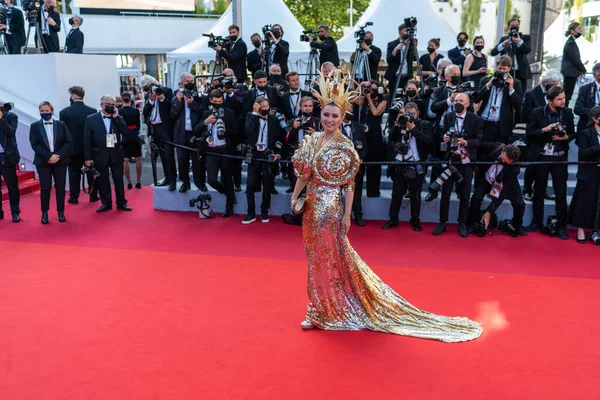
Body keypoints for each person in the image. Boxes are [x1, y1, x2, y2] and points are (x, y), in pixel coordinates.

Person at [289, 69, 481, 341]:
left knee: (329, 260)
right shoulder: (312, 140)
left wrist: (346, 215)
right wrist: (295, 197)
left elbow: (350, 184)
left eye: (335, 116)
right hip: (310, 207)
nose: (330, 119)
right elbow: (304, 173)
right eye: (326, 115)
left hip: (330, 209)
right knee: (314, 260)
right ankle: (319, 308)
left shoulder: (346, 147)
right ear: (320, 115)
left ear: (343, 118)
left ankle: (326, 311)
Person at [525, 86, 575, 240]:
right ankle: (537, 222)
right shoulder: (538, 112)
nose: (563, 101)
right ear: (550, 100)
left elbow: (573, 133)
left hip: (560, 157)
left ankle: (561, 226)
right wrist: (544, 130)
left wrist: (565, 137)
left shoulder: (567, 112)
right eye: (559, 99)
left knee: (560, 192)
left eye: (564, 98)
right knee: (538, 190)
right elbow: (529, 134)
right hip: (542, 157)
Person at [433, 93, 483, 237]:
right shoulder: (448, 116)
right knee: (446, 193)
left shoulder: (476, 119)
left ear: (468, 104)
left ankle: (462, 223)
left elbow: (479, 141)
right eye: (455, 101)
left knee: (465, 194)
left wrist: (466, 142)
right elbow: (443, 133)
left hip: (466, 162)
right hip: (451, 159)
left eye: (461, 101)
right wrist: (445, 137)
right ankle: (442, 222)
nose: (457, 103)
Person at [383, 102, 433, 231]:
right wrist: (397, 124)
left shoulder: (424, 125)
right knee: (396, 194)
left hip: (416, 165)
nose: (410, 116)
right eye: (407, 113)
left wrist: (414, 130)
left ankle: (415, 220)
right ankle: (393, 219)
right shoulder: (401, 123)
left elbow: (429, 141)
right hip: (400, 164)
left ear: (418, 113)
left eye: (412, 114)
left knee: (415, 195)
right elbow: (391, 139)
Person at [84, 95, 133, 213]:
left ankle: (121, 202)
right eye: (108, 104)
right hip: (99, 154)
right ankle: (106, 203)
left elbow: (125, 131)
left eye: (113, 104)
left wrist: (117, 117)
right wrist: (88, 157)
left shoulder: (117, 117)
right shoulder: (91, 119)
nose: (111, 106)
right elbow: (86, 139)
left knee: (118, 179)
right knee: (103, 180)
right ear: (102, 105)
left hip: (116, 153)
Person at [195, 89, 239, 218]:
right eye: (215, 102)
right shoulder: (206, 114)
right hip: (211, 151)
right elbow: (196, 130)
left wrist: (226, 130)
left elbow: (237, 133)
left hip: (225, 150)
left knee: (227, 179)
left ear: (223, 101)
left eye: (220, 102)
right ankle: (227, 193)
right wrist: (205, 122)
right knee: (212, 180)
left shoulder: (229, 114)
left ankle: (229, 207)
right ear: (210, 101)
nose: (218, 104)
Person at [467, 143, 526, 236]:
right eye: (503, 159)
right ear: (502, 151)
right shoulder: (494, 147)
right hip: (486, 178)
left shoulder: (515, 169)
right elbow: (479, 147)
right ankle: (472, 222)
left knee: (519, 204)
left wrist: (489, 211)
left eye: (507, 162)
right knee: (476, 198)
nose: (503, 161)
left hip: (504, 181)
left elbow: (503, 192)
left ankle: (517, 224)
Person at [522, 69, 563, 202]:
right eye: (553, 84)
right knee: (532, 165)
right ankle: (527, 190)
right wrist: (543, 125)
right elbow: (525, 116)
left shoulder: (557, 94)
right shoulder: (531, 94)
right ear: (545, 82)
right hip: (535, 135)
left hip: (551, 138)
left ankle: (542, 190)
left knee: (545, 166)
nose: (556, 87)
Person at [29, 101, 71, 224]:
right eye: (42, 111)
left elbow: (68, 142)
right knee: (45, 188)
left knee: (60, 187)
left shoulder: (61, 125)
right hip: (43, 162)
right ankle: (45, 213)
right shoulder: (35, 126)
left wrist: (57, 155)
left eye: (46, 111)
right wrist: (49, 156)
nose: (44, 113)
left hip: (60, 161)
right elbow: (34, 144)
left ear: (52, 111)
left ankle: (61, 212)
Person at [243, 97, 283, 224]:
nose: (266, 108)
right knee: (250, 185)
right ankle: (251, 213)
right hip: (254, 155)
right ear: (257, 106)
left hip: (267, 155)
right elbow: (248, 130)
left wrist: (278, 153)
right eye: (263, 106)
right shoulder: (251, 116)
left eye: (267, 106)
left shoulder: (273, 120)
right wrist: (255, 113)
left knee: (267, 185)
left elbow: (279, 138)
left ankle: (264, 211)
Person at [59, 86, 99, 204]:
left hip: (72, 149)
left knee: (73, 173)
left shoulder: (64, 112)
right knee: (91, 172)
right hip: (90, 149)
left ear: (73, 96)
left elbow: (62, 133)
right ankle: (93, 195)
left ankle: (74, 196)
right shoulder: (92, 111)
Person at [568, 106, 600, 243]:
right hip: (588, 171)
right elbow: (582, 153)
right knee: (584, 201)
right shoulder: (585, 133)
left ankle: (596, 230)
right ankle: (580, 229)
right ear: (595, 118)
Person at [170, 73, 206, 193]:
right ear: (181, 84)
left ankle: (199, 183)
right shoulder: (176, 97)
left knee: (197, 160)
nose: (190, 83)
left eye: (191, 80)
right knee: (182, 159)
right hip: (181, 133)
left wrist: (192, 103)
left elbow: (203, 111)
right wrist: (180, 101)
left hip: (195, 133)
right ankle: (185, 182)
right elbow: (173, 115)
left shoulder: (198, 96)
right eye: (187, 81)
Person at [141, 75, 176, 191]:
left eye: (148, 87)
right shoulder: (148, 95)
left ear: (153, 82)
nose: (149, 89)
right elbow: (145, 112)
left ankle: (173, 180)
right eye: (147, 88)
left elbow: (170, 108)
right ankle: (166, 177)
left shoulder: (167, 91)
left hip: (165, 128)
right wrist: (150, 101)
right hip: (154, 129)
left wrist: (161, 97)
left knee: (169, 155)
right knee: (161, 155)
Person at [477, 56, 522, 144]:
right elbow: (477, 99)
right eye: (499, 68)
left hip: (502, 126)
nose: (501, 71)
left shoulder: (516, 83)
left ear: (509, 68)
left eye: (504, 68)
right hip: (485, 124)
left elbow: (518, 105)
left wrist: (511, 89)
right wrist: (488, 85)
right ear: (496, 67)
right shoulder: (485, 80)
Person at [355, 80, 387, 198]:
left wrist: (369, 98)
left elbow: (375, 112)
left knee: (374, 166)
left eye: (373, 89)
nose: (371, 91)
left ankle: (373, 192)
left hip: (375, 135)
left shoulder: (382, 101)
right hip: (363, 136)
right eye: (369, 89)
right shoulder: (362, 100)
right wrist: (361, 87)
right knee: (361, 164)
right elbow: (353, 99)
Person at [285, 96, 319, 194]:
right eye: (305, 106)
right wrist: (294, 128)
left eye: (310, 106)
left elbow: (323, 140)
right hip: (296, 156)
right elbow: (287, 140)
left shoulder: (318, 121)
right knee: (296, 186)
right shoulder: (293, 121)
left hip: (312, 157)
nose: (307, 108)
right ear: (300, 107)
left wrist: (315, 134)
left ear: (313, 107)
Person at [340, 110, 368, 226]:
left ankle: (357, 215)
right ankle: (338, 216)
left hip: (356, 166)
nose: (350, 112)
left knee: (357, 191)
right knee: (337, 192)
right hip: (339, 166)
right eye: (348, 110)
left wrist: (360, 158)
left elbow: (365, 146)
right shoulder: (335, 126)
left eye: (352, 110)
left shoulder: (359, 127)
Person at [490, 18, 532, 92]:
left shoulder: (525, 37)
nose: (515, 27)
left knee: (520, 93)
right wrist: (503, 45)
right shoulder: (504, 39)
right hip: (505, 71)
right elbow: (493, 52)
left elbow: (527, 50)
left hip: (520, 72)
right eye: (512, 25)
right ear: (508, 27)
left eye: (516, 25)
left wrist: (519, 42)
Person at [0, 102, 21, 222]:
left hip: (6, 157)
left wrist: (1, 119)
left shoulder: (10, 117)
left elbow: (11, 132)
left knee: (12, 187)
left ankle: (15, 212)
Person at [119, 92, 143, 190]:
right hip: (134, 136)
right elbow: (138, 125)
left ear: (122, 99)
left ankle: (129, 182)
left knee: (125, 160)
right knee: (138, 159)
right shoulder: (136, 111)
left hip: (124, 136)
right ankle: (138, 181)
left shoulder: (119, 111)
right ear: (130, 99)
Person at [384, 24, 416, 93]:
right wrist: (395, 49)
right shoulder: (392, 44)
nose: (408, 33)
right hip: (395, 77)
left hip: (407, 77)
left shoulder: (411, 44)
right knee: (394, 97)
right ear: (400, 31)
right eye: (406, 30)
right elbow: (389, 60)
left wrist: (413, 47)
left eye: (409, 31)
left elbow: (415, 58)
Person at [561, 22, 587, 106]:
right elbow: (576, 59)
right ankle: (563, 114)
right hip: (570, 73)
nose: (581, 31)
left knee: (567, 95)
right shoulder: (571, 43)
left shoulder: (570, 42)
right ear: (572, 31)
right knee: (567, 96)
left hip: (570, 73)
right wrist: (583, 69)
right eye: (579, 29)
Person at [574, 63, 600, 133]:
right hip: (588, 128)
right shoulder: (585, 89)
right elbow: (577, 109)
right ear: (594, 75)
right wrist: (595, 113)